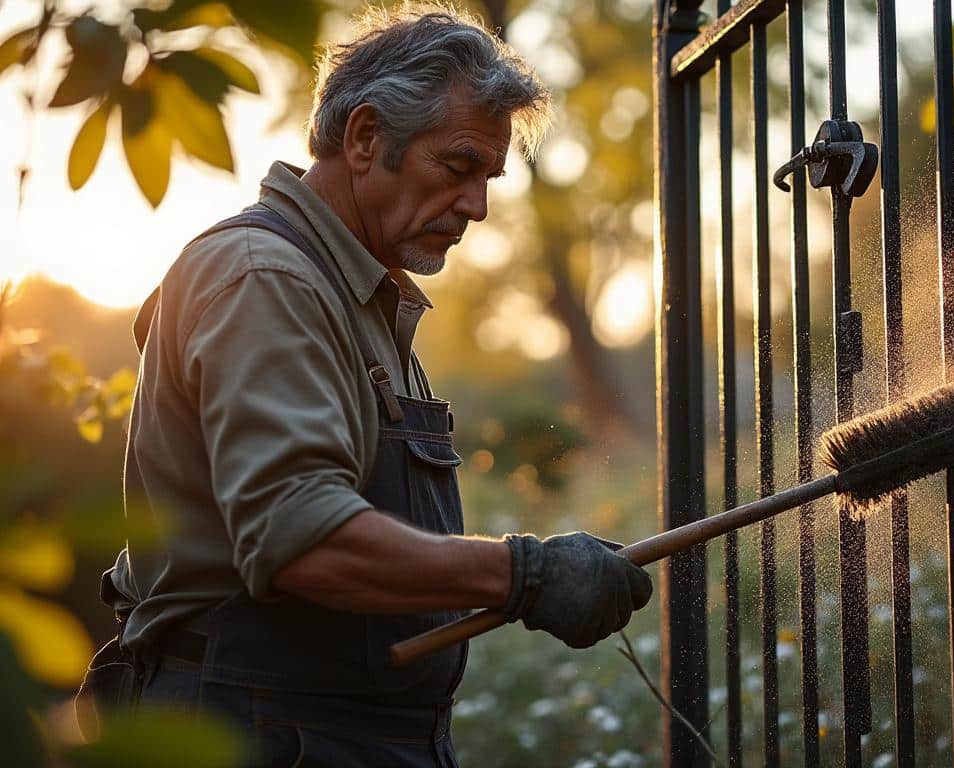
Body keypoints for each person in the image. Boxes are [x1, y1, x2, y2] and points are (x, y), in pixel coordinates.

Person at [76, 7, 653, 766]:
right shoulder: (265, 277)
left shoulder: (362, 296)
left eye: (488, 178)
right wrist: (524, 573)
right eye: (457, 167)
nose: (478, 206)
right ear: (365, 138)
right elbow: (300, 537)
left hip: (326, 734)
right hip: (249, 733)